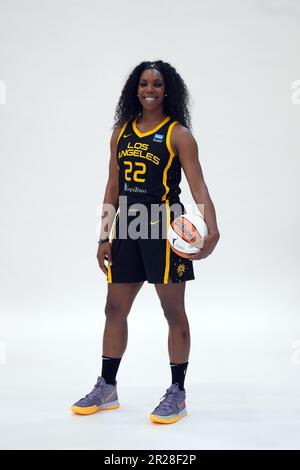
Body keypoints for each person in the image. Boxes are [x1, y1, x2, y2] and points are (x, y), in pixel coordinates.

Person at [71, 60, 220, 424]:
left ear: (167, 89)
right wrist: (104, 234)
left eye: (156, 83)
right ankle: (107, 387)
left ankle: (177, 392)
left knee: (173, 313)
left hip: (164, 229)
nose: (149, 89)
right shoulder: (121, 132)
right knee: (113, 310)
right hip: (128, 228)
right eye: (143, 83)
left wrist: (212, 229)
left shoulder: (179, 134)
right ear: (134, 89)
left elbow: (198, 186)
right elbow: (112, 186)